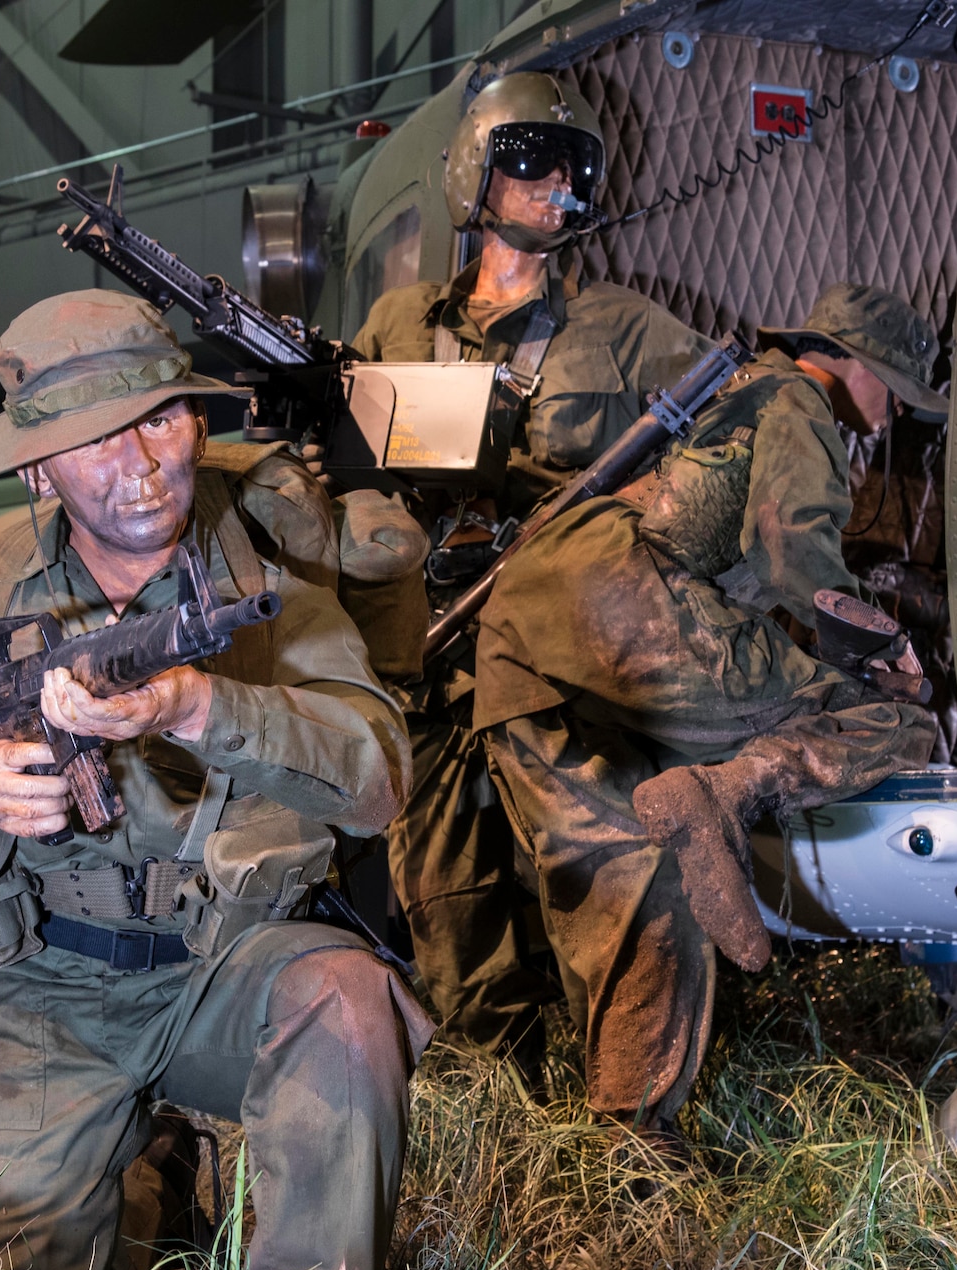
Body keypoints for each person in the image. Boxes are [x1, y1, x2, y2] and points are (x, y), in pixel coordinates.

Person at [0, 289, 429, 1270]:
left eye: (159, 419)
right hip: (44, 991)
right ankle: (148, 1186)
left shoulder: (273, 588)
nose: (139, 463)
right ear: (36, 467)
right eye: (93, 440)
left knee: (349, 1001)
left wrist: (202, 704)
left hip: (225, 966)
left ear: (196, 421)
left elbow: (377, 778)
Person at [472, 284, 946, 1132]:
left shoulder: (721, 392)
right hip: (628, 603)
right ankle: (726, 795)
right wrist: (889, 656)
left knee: (629, 880)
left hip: (519, 636)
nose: (889, 419)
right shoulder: (797, 397)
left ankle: (630, 1141)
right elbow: (797, 548)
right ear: (848, 361)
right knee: (901, 723)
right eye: (894, 392)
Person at [347, 71, 709, 1077]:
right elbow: (352, 479)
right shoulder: (397, 326)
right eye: (530, 164)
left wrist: (641, 522)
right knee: (447, 901)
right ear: (477, 172)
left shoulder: (627, 329)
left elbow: (726, 451)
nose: (557, 187)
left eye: (572, 170)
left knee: (604, 883)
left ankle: (630, 1127)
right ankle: (500, 1108)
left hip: (555, 661)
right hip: (426, 654)